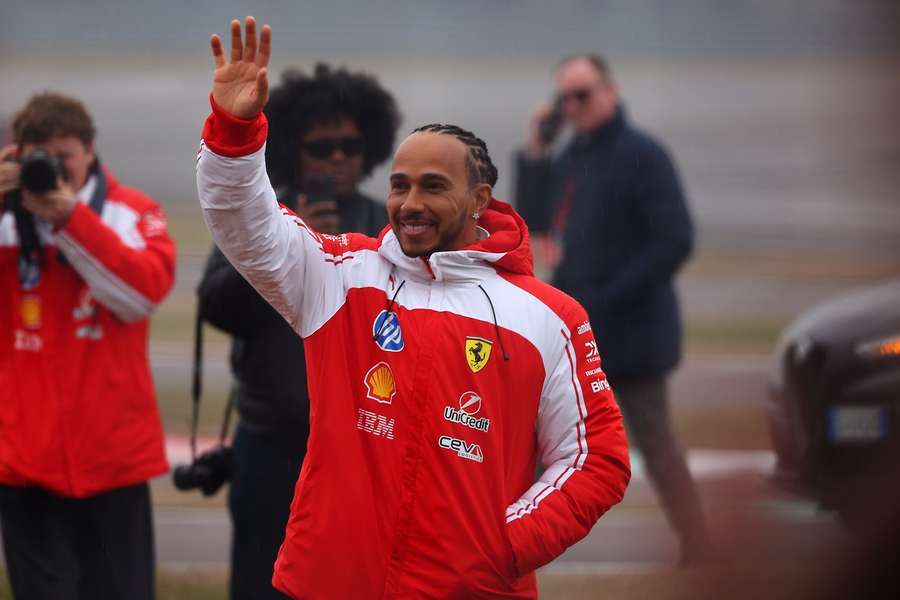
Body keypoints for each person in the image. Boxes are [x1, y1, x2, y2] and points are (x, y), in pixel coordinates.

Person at [196, 18, 630, 599]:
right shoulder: (344, 275)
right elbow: (245, 226)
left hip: (471, 588)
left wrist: (503, 545)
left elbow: (595, 459)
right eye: (400, 186)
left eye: (432, 186)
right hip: (332, 582)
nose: (409, 204)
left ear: (479, 199)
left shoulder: (550, 316)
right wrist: (235, 129)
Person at [197, 64, 400, 599]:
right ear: (292, 151)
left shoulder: (390, 227)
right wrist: (284, 257)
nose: (338, 158)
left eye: (351, 146)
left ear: (371, 148)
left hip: (361, 444)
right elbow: (215, 307)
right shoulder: (262, 222)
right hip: (270, 440)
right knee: (262, 584)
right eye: (322, 147)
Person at [514, 54, 712, 564]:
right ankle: (512, 545)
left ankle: (701, 548)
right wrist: (536, 150)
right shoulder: (571, 157)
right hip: (578, 332)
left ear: (611, 91)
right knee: (536, 439)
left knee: (656, 446)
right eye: (566, 99)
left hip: (634, 332)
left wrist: (607, 296)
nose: (575, 107)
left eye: (584, 94)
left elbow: (675, 240)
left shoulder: (642, 155)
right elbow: (530, 220)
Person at [0, 92, 175, 599]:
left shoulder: (133, 212)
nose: (52, 170)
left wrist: (68, 218)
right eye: (40, 158)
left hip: (113, 459)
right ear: (17, 154)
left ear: (90, 152)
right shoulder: (8, 215)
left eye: (63, 158)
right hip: (24, 460)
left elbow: (140, 296)